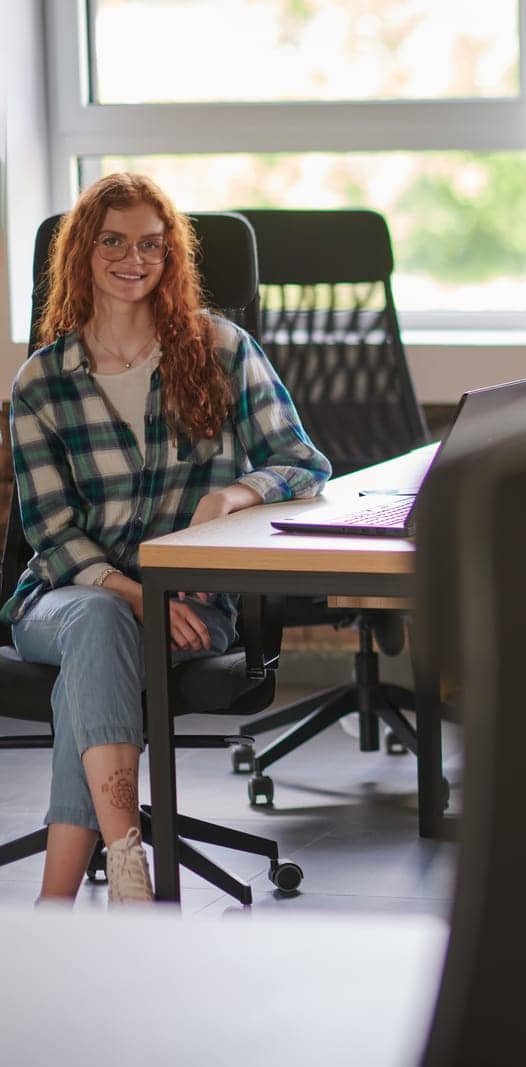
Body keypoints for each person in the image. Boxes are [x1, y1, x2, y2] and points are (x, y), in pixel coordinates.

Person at [4, 173, 330, 906]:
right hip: (64, 603)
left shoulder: (220, 349)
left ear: (170, 255)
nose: (133, 258)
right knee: (100, 620)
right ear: (83, 253)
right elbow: (51, 536)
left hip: (191, 604)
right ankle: (125, 859)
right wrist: (134, 593)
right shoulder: (41, 385)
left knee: (91, 674)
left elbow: (302, 461)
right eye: (113, 241)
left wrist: (232, 492)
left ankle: (58, 905)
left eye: (151, 244)